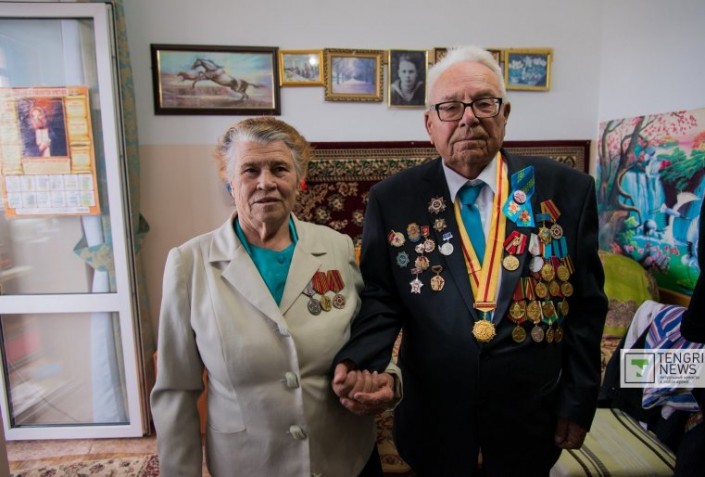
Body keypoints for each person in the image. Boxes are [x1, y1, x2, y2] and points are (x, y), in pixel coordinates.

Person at [333, 45, 608, 476]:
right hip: (433, 419)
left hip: (530, 420)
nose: (468, 118)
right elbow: (382, 297)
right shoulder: (394, 199)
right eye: (450, 107)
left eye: (483, 103)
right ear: (429, 123)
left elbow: (586, 308)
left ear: (505, 113)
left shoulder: (567, 190)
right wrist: (360, 362)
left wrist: (578, 401)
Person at [151, 117, 398, 477]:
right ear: (229, 181)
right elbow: (176, 389)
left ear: (299, 180)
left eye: (279, 169)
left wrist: (387, 380)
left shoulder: (337, 247)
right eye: (250, 170)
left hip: (343, 458)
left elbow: (370, 335)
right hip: (249, 463)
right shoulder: (190, 263)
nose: (265, 182)